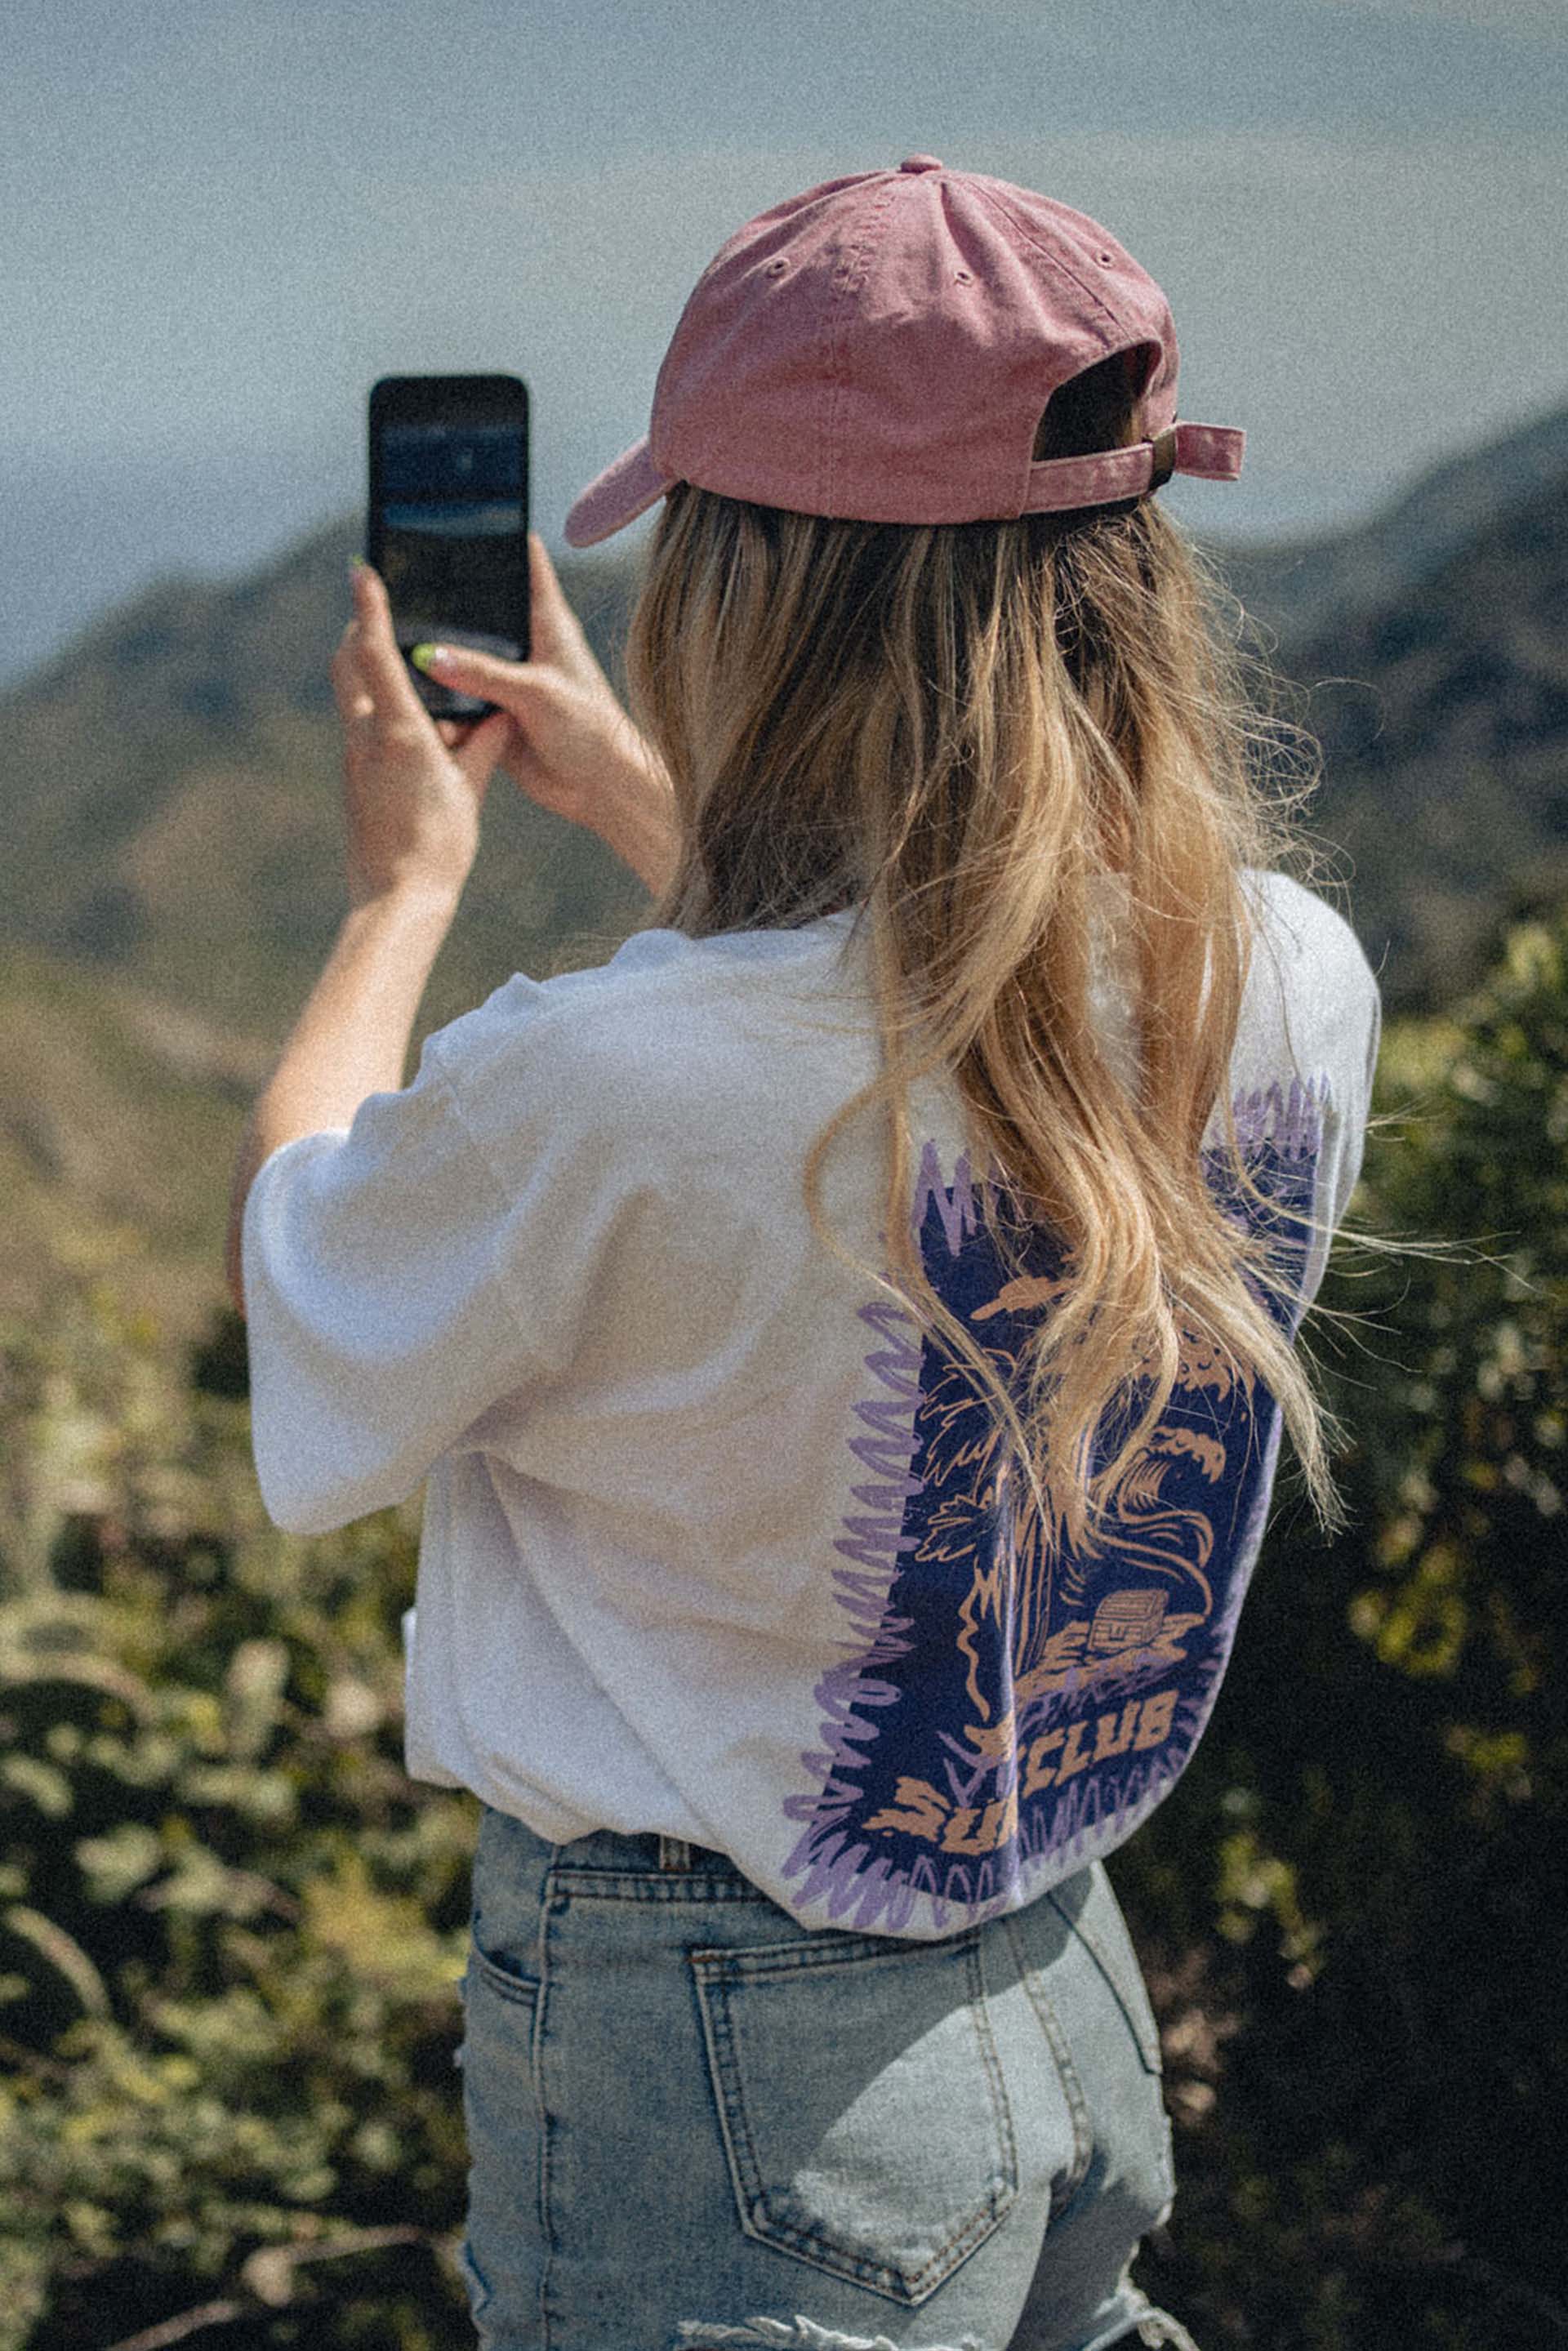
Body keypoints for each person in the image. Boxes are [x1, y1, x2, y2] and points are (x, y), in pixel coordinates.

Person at [229, 158, 1381, 2351]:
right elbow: (927, 1027)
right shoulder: (1285, 979)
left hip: (726, 2056)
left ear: (740, 591)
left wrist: (402, 895)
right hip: (1058, 1972)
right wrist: (634, 799)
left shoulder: (605, 1085)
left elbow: (303, 1280)